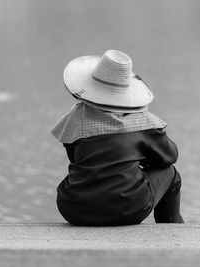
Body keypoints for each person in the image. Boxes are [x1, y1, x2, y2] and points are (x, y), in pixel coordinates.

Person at [51, 50, 184, 226]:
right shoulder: (143, 122)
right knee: (170, 173)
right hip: (129, 209)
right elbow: (169, 156)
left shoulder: (76, 117)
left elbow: (74, 157)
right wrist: (137, 158)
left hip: (74, 209)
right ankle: (173, 229)